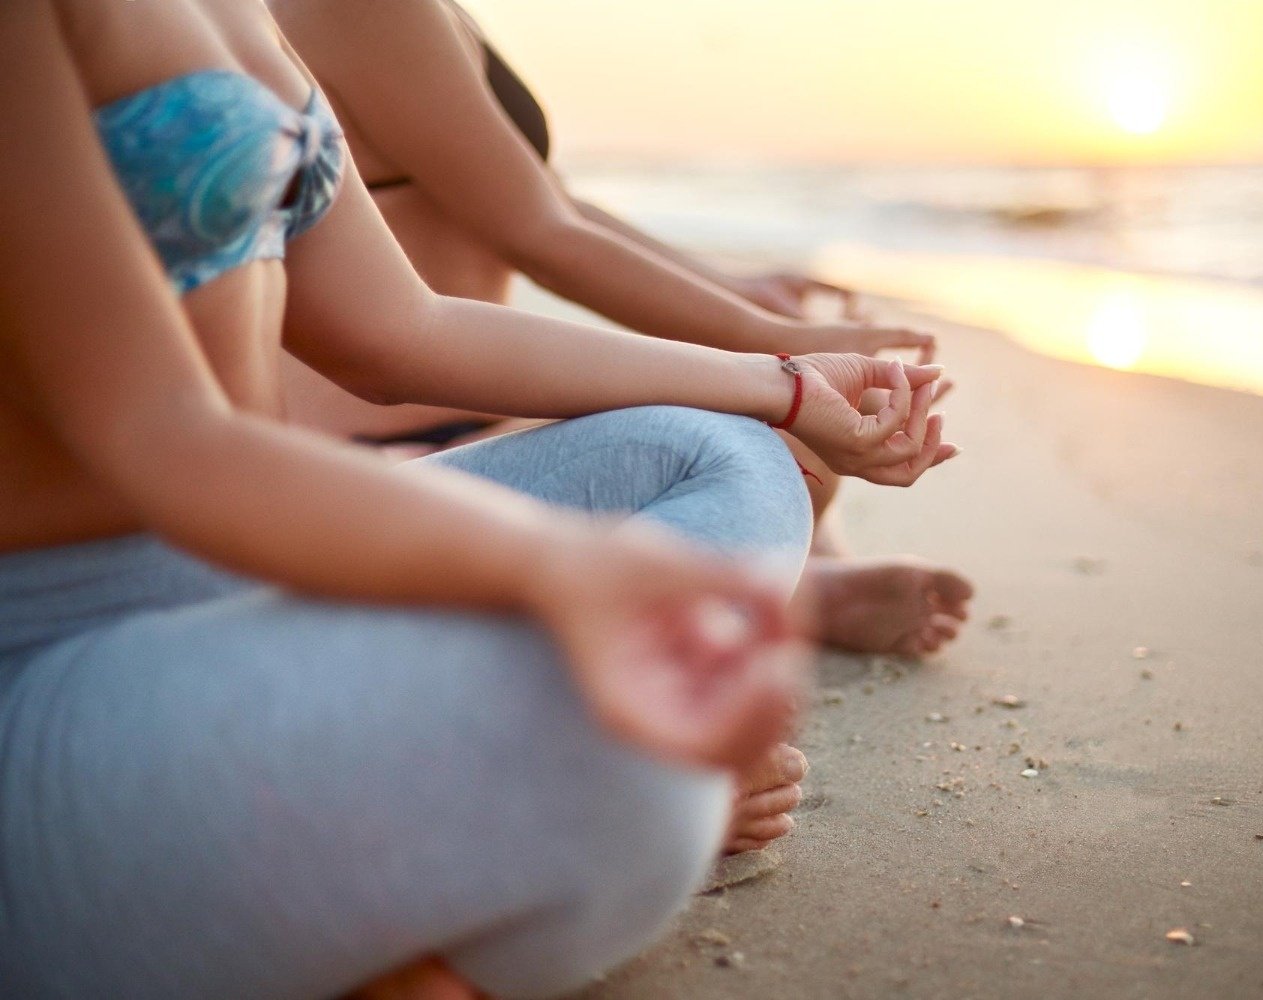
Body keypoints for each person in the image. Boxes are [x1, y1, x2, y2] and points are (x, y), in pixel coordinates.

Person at [0, 2, 956, 999]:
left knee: (725, 456)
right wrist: (556, 565)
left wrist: (787, 386)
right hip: (44, 644)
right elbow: (165, 436)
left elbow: (402, 331)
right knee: (632, 776)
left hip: (242, 572)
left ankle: (482, 838)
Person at [268, 0, 975, 666]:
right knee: (759, 445)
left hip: (474, 417)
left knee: (787, 445)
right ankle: (794, 591)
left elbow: (546, 196)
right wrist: (776, 341)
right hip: (375, 450)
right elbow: (542, 234)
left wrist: (739, 298)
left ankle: (798, 577)